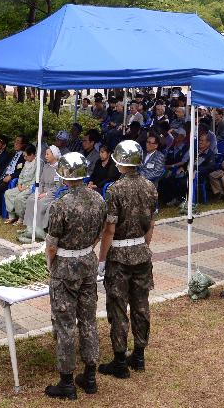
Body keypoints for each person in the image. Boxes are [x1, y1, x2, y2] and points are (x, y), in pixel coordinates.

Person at [43, 153, 106, 399]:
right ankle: (90, 377)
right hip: (88, 263)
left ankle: (67, 383)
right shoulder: (99, 199)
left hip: (65, 267)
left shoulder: (61, 204)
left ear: (64, 176)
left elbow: (51, 243)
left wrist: (51, 265)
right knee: (88, 319)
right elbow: (101, 231)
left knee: (65, 324)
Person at [97, 140, 158, 378]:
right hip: (142, 253)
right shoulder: (150, 187)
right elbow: (151, 224)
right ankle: (139, 355)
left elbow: (109, 229)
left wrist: (101, 260)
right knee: (141, 305)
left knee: (119, 307)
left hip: (119, 257)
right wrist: (142, 246)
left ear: (119, 163)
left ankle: (120, 361)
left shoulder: (114, 190)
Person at [20, 146, 62, 238]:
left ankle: (39, 229)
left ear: (54, 155)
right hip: (42, 191)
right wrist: (38, 192)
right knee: (31, 199)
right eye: (45, 154)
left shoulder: (59, 168)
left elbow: (58, 186)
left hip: (52, 194)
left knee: (40, 203)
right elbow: (41, 182)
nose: (45, 156)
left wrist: (45, 194)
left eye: (47, 154)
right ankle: (29, 227)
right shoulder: (46, 166)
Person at [3, 145, 38, 224]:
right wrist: (19, 184)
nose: (24, 158)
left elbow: (36, 179)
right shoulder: (26, 162)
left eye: (26, 156)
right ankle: (11, 216)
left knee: (20, 197)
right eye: (24, 156)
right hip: (22, 185)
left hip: (31, 187)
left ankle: (21, 218)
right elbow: (21, 175)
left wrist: (27, 187)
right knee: (8, 193)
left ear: (32, 155)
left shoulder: (38, 163)